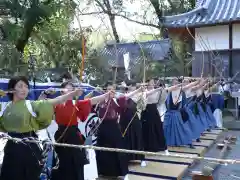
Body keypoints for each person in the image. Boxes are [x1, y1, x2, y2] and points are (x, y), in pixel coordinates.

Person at [0, 76, 80, 180]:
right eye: (20, 86)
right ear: (12, 89)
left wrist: (72, 94)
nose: (24, 89)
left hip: (28, 148)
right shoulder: (6, 107)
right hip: (10, 149)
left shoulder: (31, 105)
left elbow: (54, 101)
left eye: (26, 86)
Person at [39, 81, 111, 180]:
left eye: (72, 89)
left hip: (74, 136)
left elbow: (91, 101)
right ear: (62, 92)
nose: (70, 91)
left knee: (77, 161)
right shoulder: (56, 102)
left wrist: (106, 95)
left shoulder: (76, 103)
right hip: (61, 135)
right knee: (63, 161)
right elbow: (40, 103)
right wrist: (45, 93)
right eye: (67, 89)